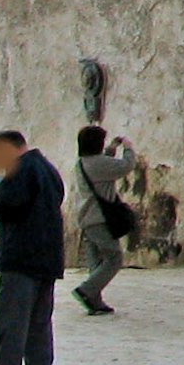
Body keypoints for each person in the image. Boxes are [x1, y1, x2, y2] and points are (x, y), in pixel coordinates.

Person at [0, 130, 64, 365]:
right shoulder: (47, 169)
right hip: (48, 256)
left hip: (21, 256)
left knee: (12, 317)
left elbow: (10, 204)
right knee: (39, 319)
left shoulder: (20, 170)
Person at [71, 126, 137, 315]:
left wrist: (112, 148)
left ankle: (95, 301)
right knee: (114, 258)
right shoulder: (98, 164)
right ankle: (86, 291)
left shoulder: (82, 163)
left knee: (96, 262)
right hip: (100, 218)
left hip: (87, 218)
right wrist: (128, 148)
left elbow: (105, 164)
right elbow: (125, 166)